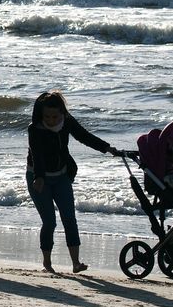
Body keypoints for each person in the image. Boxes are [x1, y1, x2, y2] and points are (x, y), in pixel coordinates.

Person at [25, 90, 117, 273]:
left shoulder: (66, 121)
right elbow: (37, 155)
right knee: (49, 222)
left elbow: (84, 136)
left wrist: (106, 148)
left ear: (62, 113)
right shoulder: (34, 128)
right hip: (38, 178)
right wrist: (39, 177)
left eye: (55, 116)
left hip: (61, 176)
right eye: (47, 116)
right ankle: (47, 263)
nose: (51, 120)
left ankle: (76, 263)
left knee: (69, 218)